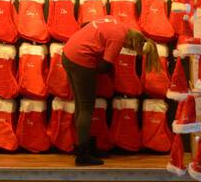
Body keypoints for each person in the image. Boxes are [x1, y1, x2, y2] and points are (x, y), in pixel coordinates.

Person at [61, 18, 160, 167]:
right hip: (81, 60)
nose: (126, 50)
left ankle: (82, 144)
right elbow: (104, 67)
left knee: (80, 106)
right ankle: (83, 155)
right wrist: (92, 72)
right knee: (87, 107)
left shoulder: (118, 23)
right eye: (131, 49)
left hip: (68, 54)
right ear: (132, 43)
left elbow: (85, 25)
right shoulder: (118, 39)